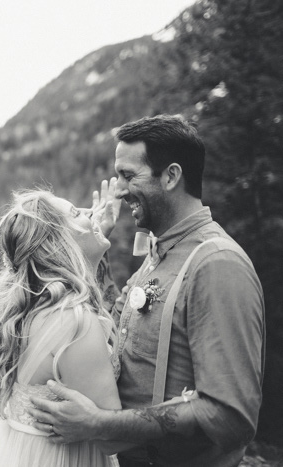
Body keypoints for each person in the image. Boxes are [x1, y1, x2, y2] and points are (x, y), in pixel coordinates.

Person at [29, 114, 266, 466]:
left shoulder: (217, 264)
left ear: (171, 176)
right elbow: (111, 326)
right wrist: (96, 251)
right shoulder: (160, 252)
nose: (120, 190)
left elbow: (230, 416)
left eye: (128, 175)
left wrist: (100, 423)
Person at [0, 188, 123, 466]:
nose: (92, 213)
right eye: (77, 213)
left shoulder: (30, 306)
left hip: (18, 451)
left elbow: (82, 284)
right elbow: (113, 435)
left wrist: (90, 247)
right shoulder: (75, 321)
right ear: (60, 244)